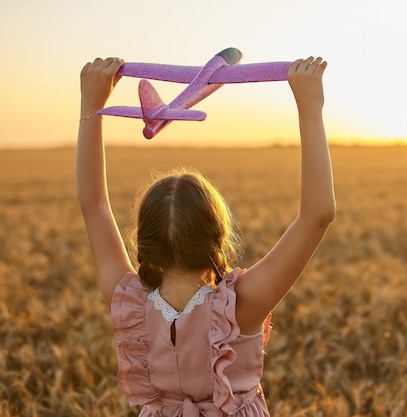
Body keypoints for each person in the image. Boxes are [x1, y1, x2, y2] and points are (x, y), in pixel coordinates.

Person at [76, 55, 335, 416]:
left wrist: (92, 107)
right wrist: (311, 106)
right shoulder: (239, 307)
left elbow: (94, 205)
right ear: (218, 236)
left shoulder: (130, 302)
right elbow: (317, 216)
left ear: (144, 243)